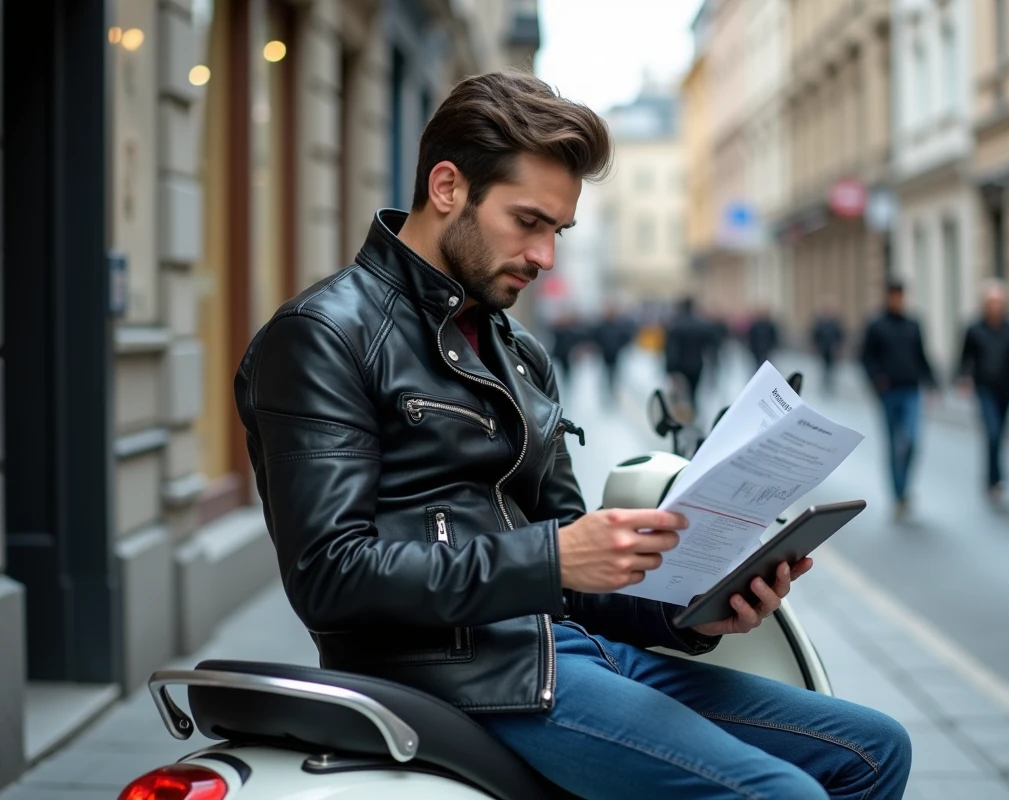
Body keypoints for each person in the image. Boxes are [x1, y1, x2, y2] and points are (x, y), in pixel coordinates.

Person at [234, 70, 910, 800]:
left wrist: (699, 609)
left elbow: (576, 574)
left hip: (571, 655)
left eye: (558, 231)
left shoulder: (520, 351)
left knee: (874, 750)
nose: (545, 257)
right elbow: (330, 576)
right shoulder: (324, 334)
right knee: (788, 795)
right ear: (448, 187)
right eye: (528, 222)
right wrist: (553, 556)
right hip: (456, 678)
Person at [860, 278, 938, 520]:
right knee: (895, 445)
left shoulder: (913, 324)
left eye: (901, 296)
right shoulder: (876, 325)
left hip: (911, 390)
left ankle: (905, 488)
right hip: (889, 393)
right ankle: (898, 495)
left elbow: (921, 355)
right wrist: (876, 380)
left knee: (913, 440)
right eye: (894, 295)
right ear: (887, 297)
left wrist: (932, 382)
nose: (898, 300)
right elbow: (865, 357)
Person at [957, 280, 1009, 504]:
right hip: (984, 389)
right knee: (991, 433)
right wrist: (963, 378)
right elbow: (965, 357)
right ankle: (994, 479)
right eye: (992, 301)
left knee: (1000, 435)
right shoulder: (974, 329)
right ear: (985, 303)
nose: (996, 305)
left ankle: (994, 477)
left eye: (999, 301)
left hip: (1006, 390)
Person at [664, 297, 714, 420]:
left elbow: (671, 350)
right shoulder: (701, 325)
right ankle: (694, 413)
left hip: (680, 367)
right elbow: (709, 345)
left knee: (681, 395)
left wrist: (669, 369)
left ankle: (684, 417)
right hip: (697, 365)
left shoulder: (676, 326)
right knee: (694, 392)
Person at [590, 302, 634, 399]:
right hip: (605, 353)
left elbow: (625, 338)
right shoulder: (602, 326)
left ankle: (612, 390)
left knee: (614, 373)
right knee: (605, 373)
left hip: (615, 353)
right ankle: (605, 391)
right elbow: (595, 337)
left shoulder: (619, 326)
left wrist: (619, 347)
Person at [811, 298, 845, 395]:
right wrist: (816, 346)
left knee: (832, 368)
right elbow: (815, 335)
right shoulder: (820, 322)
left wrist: (839, 347)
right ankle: (825, 384)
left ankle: (830, 384)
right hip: (823, 349)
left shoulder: (836, 323)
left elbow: (841, 335)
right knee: (823, 367)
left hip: (832, 349)